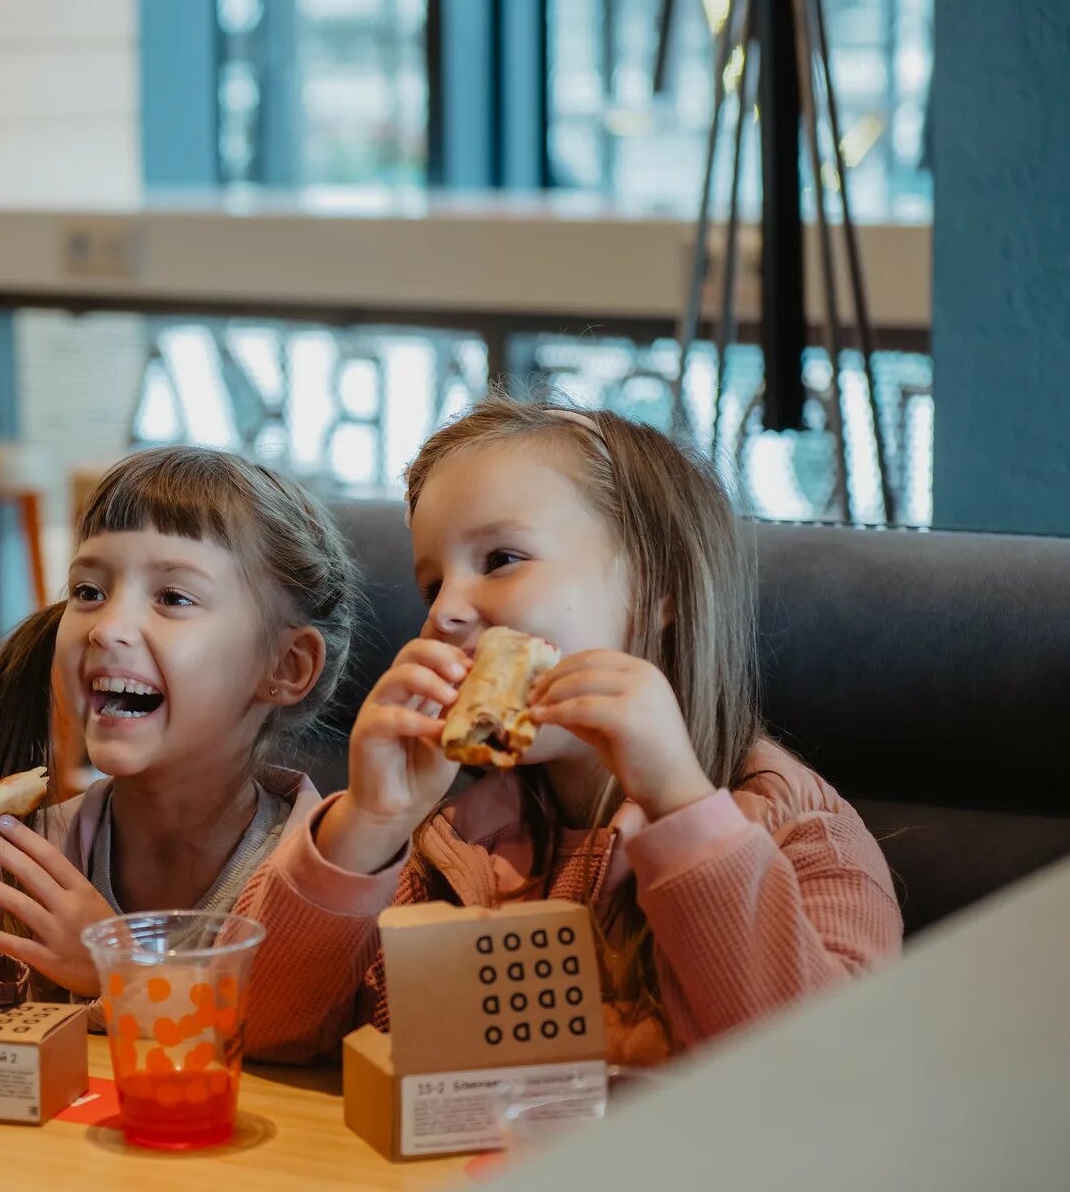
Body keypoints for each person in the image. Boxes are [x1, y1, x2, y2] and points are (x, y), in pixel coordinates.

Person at [237, 397, 902, 1065]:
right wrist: (370, 822)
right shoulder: (454, 845)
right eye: (432, 583)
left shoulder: (803, 835)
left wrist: (684, 810)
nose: (444, 613)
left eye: (499, 558)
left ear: (655, 586)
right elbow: (264, 1030)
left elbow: (828, 1073)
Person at [0, 446, 359, 1011]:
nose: (108, 629)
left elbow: (307, 1058)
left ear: (285, 666)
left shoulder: (324, 877)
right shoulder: (32, 855)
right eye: (89, 592)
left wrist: (120, 973)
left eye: (173, 598)